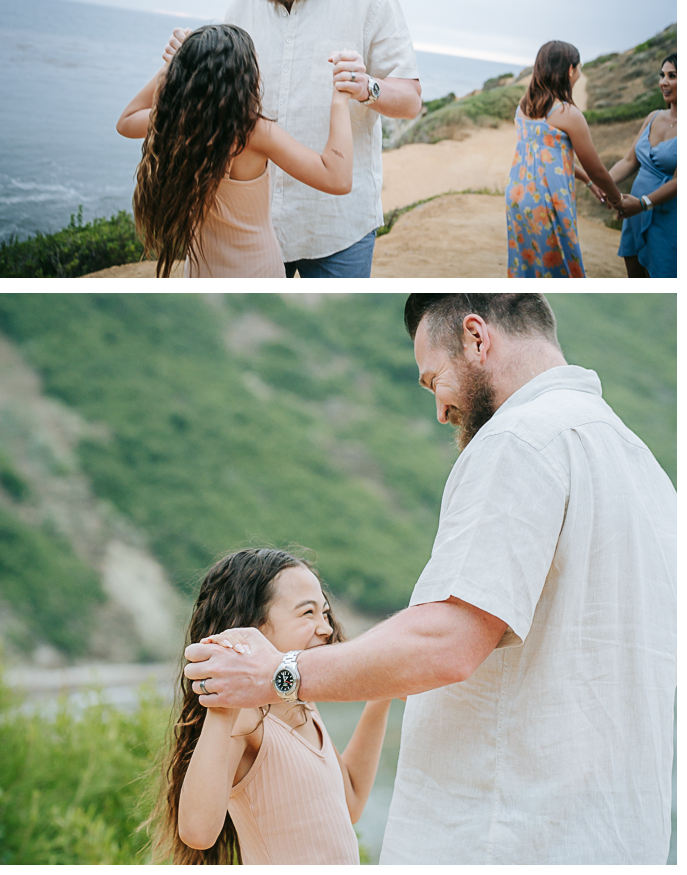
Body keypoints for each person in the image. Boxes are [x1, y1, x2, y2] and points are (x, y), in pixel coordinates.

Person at [184, 294, 676, 864]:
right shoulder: (643, 468)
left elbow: (450, 641)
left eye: (433, 379)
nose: (440, 410)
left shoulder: (519, 440)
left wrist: (278, 674)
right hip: (617, 840)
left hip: (509, 839)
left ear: (476, 337)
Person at [163, 0, 422, 279]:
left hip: (339, 228)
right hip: (252, 228)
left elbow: (410, 101)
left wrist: (366, 87)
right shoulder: (240, 7)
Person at [151, 548, 392, 864]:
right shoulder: (245, 719)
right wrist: (225, 700)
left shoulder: (302, 707)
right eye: (307, 613)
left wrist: (382, 694)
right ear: (254, 627)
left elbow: (351, 805)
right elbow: (197, 832)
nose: (327, 628)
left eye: (325, 613)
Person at [117, 24, 353, 278]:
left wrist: (174, 65)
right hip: (257, 271)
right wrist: (340, 98)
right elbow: (336, 178)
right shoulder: (253, 132)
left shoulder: (179, 123)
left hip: (201, 272)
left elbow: (126, 121)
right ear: (242, 77)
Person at [506, 40, 624, 278]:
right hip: (547, 202)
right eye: (579, 67)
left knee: (527, 264)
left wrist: (588, 183)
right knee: (560, 266)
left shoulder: (523, 106)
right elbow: (598, 170)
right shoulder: (568, 114)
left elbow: (552, 162)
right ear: (571, 70)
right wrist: (617, 198)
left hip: (517, 197)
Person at [607, 53, 677, 277]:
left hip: (667, 220)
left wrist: (643, 204)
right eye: (662, 75)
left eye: (672, 76)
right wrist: (605, 185)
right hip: (635, 215)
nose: (663, 82)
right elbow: (629, 162)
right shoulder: (654, 116)